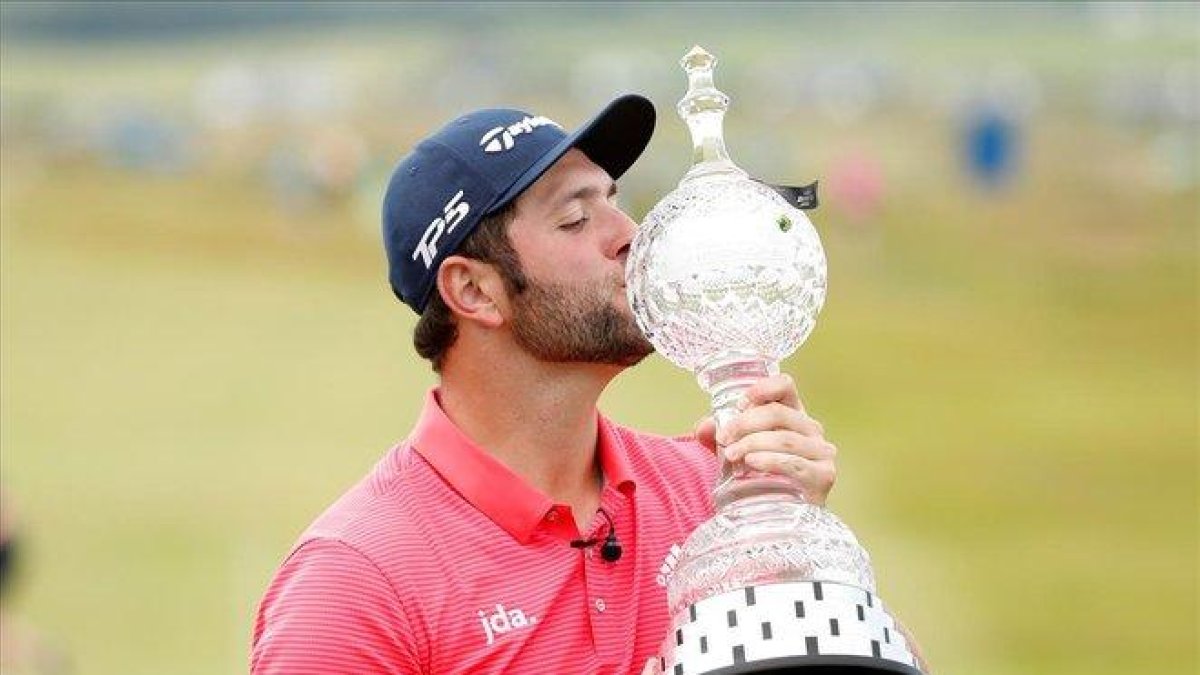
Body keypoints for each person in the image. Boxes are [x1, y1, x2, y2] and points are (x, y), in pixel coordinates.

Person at [250, 94, 849, 674]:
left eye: (617, 202)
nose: (632, 235)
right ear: (474, 291)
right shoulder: (355, 584)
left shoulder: (711, 491)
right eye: (575, 218)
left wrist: (801, 552)